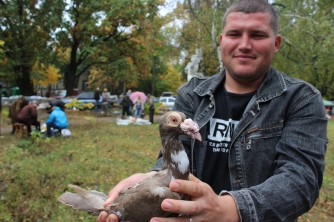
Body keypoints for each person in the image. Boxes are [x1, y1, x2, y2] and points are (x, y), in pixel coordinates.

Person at [98, 0, 327, 221]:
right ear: (221, 40)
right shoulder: (191, 93)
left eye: (257, 35)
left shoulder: (301, 99)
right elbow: (174, 155)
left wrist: (229, 209)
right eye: (234, 34)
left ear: (276, 43)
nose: (244, 44)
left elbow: (301, 181)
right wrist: (151, 179)